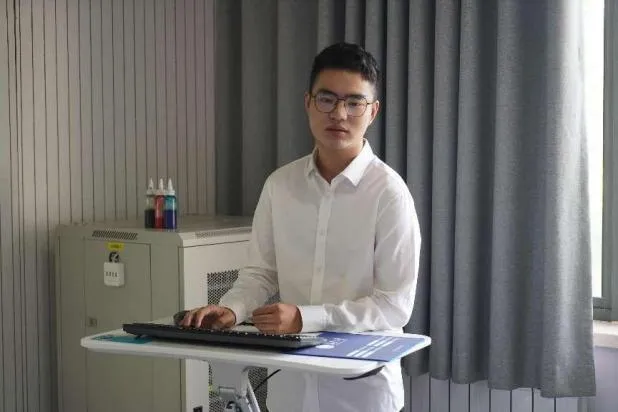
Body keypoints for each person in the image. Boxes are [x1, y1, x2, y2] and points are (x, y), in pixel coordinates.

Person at [182, 42, 421, 412]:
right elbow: (260, 273)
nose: (339, 113)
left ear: (372, 111)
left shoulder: (389, 194)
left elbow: (394, 306)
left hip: (361, 394)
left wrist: (304, 318)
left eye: (354, 102)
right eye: (327, 99)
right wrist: (231, 309)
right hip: (290, 389)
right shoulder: (280, 185)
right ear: (308, 102)